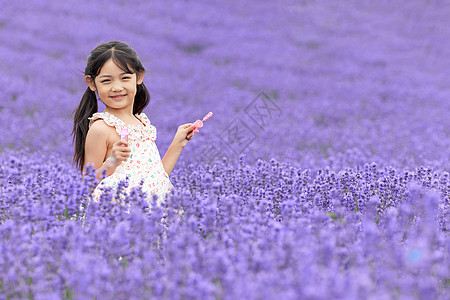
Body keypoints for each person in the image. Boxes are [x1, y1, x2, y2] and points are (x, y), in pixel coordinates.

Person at [72, 41, 195, 204]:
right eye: (106, 81)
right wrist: (112, 162)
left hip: (154, 210)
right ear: (91, 83)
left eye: (125, 78)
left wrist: (177, 144)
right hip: (118, 214)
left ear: (139, 77)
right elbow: (88, 185)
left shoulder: (142, 124)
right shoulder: (101, 128)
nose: (117, 87)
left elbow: (157, 178)